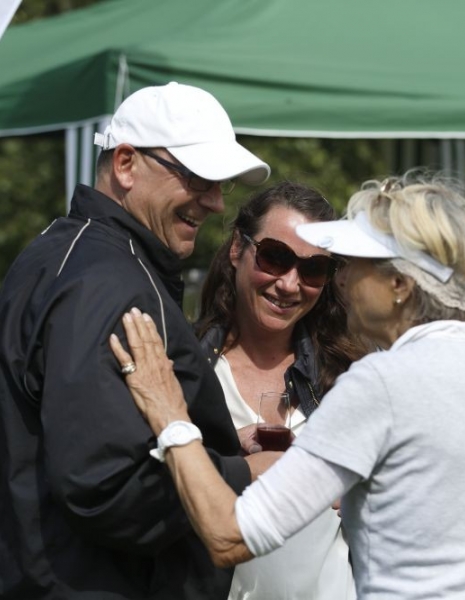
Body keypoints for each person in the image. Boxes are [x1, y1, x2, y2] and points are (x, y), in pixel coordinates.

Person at [110, 174, 465, 599]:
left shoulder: (379, 384)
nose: (343, 279)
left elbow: (228, 536)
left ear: (399, 284)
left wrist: (169, 413)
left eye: (355, 264)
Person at [0, 82, 277, 599]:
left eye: (220, 184)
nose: (213, 202)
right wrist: (243, 473)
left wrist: (214, 447)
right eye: (197, 178)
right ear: (125, 164)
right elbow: (107, 489)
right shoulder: (109, 283)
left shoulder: (67, 251)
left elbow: (90, 446)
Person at [195, 181, 364, 599]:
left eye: (313, 269)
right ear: (238, 249)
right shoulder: (188, 369)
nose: (289, 284)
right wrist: (225, 462)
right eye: (275, 257)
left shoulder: (351, 379)